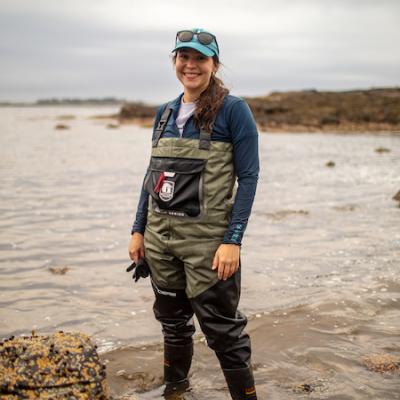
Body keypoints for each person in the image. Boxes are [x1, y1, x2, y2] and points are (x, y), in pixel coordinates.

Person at [128, 28, 259, 400]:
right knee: (172, 324)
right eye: (183, 57)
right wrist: (138, 230)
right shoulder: (164, 112)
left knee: (223, 332)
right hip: (160, 241)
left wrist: (232, 241)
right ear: (175, 62)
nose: (191, 65)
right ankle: (175, 390)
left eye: (200, 58)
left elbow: (248, 178)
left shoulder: (234, 111)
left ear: (213, 64)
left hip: (208, 247)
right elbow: (151, 176)